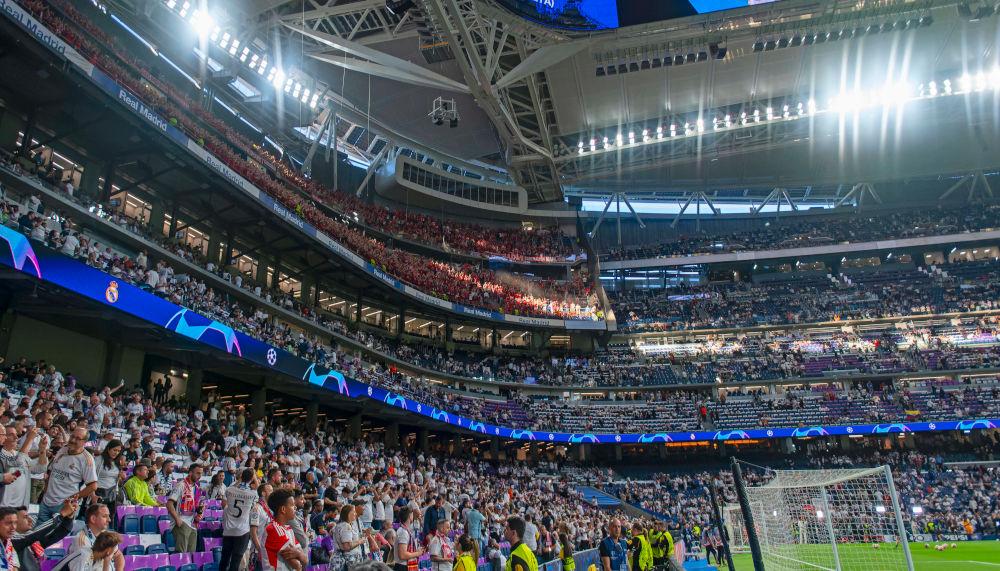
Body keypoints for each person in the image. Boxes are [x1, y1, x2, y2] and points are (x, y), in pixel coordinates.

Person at [38, 428, 96, 523]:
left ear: (84, 442)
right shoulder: (63, 449)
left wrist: (73, 499)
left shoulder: (87, 459)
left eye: (78, 438)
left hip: (63, 506)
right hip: (46, 502)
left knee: (58, 536)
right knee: (38, 533)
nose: (73, 440)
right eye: (72, 436)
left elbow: (93, 486)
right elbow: (51, 471)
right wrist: (46, 490)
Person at [12, 499, 77, 571]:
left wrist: (69, 517)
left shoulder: (33, 542)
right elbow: (35, 534)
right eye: (25, 517)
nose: (30, 519)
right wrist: (61, 515)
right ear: (14, 522)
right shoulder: (12, 540)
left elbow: (59, 534)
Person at [262, 488, 308, 571]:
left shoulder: (289, 529)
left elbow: (305, 561)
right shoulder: (273, 529)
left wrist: (299, 554)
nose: (295, 507)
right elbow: (297, 565)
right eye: (292, 505)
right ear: (283, 509)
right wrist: (300, 555)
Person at [221, 468, 258, 571]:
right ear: (252, 478)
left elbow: (224, 503)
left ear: (241, 477)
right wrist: (253, 477)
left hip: (228, 530)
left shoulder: (229, 489)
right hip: (242, 531)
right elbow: (257, 486)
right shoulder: (252, 494)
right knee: (235, 562)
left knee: (224, 560)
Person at [0, 427, 45, 508]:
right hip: (4, 506)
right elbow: (17, 463)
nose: (16, 437)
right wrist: (30, 439)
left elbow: (40, 468)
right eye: (11, 435)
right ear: (3, 437)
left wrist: (42, 449)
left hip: (21, 506)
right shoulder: (1, 454)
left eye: (16, 434)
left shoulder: (19, 454)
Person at [167, 463, 204, 553]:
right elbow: (169, 504)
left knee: (191, 554)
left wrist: (199, 513)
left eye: (201, 473)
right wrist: (177, 519)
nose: (200, 476)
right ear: (190, 473)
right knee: (181, 554)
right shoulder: (181, 485)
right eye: (198, 473)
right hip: (182, 522)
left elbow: (197, 505)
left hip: (192, 523)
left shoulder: (197, 488)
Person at [52, 531, 121, 571]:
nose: (115, 552)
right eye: (114, 548)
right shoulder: (84, 556)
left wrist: (107, 561)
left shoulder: (99, 559)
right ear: (108, 550)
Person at [93, 440, 123, 523]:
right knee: (97, 518)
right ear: (108, 449)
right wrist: (92, 495)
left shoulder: (117, 462)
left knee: (107, 520)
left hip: (111, 494)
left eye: (118, 451)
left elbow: (116, 481)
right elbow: (90, 478)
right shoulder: (99, 459)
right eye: (114, 450)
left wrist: (120, 477)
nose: (116, 453)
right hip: (99, 492)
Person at [392, 507, 423, 571]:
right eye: (412, 514)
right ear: (409, 516)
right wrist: (418, 553)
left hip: (404, 566)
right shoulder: (403, 532)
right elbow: (402, 555)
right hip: (402, 567)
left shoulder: (405, 530)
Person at [0, 506, 20, 571]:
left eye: (15, 523)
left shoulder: (8, 542)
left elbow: (15, 566)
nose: (13, 527)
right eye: (8, 523)